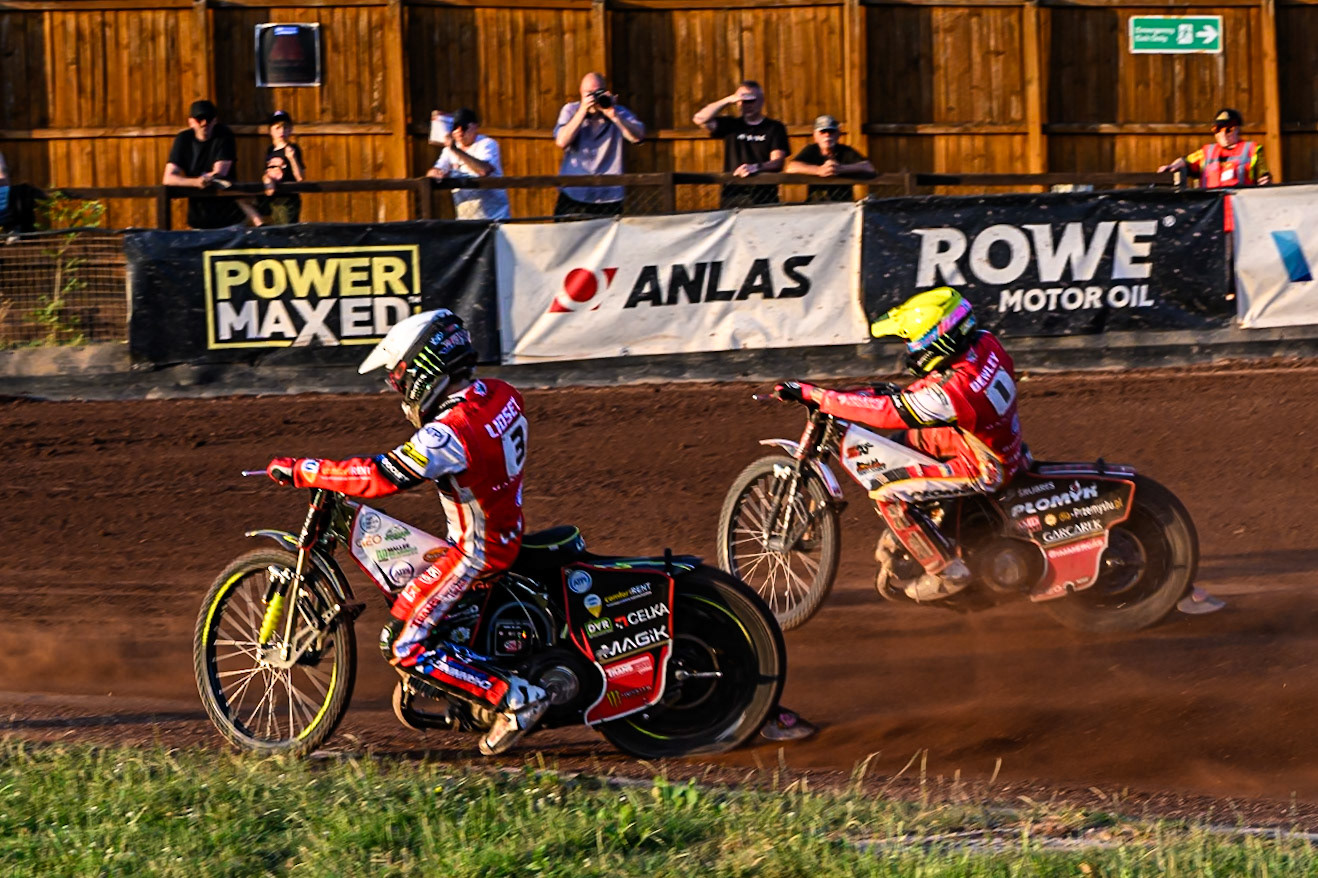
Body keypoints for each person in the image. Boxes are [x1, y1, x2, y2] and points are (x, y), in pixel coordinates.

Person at [264, 309, 547, 756]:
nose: (397, 388)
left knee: (401, 643)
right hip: (503, 524)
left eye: (399, 377)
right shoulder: (499, 394)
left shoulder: (451, 433)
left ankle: (512, 698)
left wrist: (306, 470)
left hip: (477, 551)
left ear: (425, 368)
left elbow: (380, 477)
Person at [773, 288, 1028, 602]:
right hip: (983, 439)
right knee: (896, 447)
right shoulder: (985, 343)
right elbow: (934, 388)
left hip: (982, 466)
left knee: (887, 489)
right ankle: (934, 525)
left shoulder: (953, 392)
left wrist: (818, 396)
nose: (911, 347)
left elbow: (887, 414)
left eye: (914, 339)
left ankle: (948, 571)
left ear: (939, 336)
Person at [552, 73, 646, 219]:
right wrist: (582, 111)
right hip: (574, 193)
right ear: (581, 94)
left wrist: (614, 116)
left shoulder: (617, 111)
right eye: (589, 94)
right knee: (567, 240)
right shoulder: (571, 110)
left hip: (608, 195)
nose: (594, 98)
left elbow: (638, 138)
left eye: (598, 92)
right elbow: (562, 142)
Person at [162, 99, 262, 229]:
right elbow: (168, 178)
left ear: (215, 120)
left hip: (229, 220)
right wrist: (196, 182)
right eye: (199, 119)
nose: (204, 123)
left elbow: (219, 173)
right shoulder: (183, 140)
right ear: (191, 122)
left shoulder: (224, 135)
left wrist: (205, 179)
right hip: (199, 220)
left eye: (208, 119)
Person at [692, 80, 789, 208]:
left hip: (763, 195)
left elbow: (777, 162)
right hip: (733, 194)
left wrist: (756, 167)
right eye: (741, 101)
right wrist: (728, 100)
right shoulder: (731, 124)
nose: (745, 105)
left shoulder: (774, 127)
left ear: (761, 101)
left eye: (750, 100)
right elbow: (699, 119)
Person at [426, 107, 511, 221]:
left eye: (464, 127)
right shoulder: (448, 150)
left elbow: (483, 170)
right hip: (465, 219)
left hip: (495, 218)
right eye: (455, 127)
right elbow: (435, 170)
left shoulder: (487, 144)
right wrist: (435, 174)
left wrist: (456, 150)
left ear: (475, 127)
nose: (460, 131)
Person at [1158, 108, 1272, 188]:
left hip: (1241, 210)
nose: (1223, 134)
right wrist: (1171, 166)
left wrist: (1265, 181)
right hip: (1211, 210)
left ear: (1238, 129)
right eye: (1218, 130)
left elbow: (1264, 176)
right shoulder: (1206, 152)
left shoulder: (1253, 150)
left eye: (1228, 130)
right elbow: (1185, 161)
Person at [785, 115, 876, 203]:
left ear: (838, 135)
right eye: (823, 132)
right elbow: (791, 167)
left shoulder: (846, 151)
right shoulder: (811, 150)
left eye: (831, 131)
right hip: (815, 203)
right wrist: (819, 170)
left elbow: (868, 167)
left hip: (843, 203)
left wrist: (840, 169)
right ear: (815, 136)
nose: (827, 135)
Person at [260, 109, 306, 225]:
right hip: (273, 199)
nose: (282, 131)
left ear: (290, 129)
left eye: (285, 128)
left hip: (288, 200)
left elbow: (300, 178)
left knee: (286, 231)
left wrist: (292, 158)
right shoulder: (270, 150)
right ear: (270, 131)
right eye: (277, 128)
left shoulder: (293, 149)